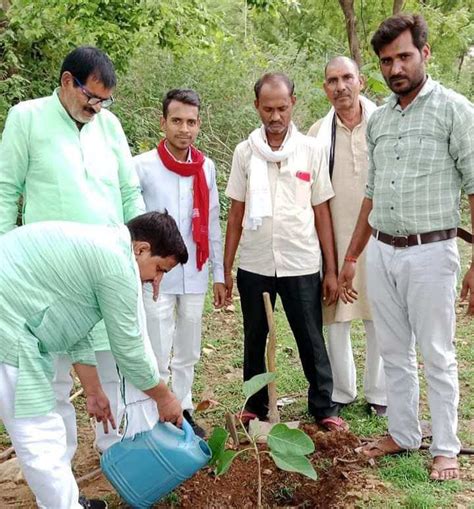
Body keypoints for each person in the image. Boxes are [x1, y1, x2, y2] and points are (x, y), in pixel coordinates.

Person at [338, 13, 474, 481]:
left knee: (436, 352)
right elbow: (371, 196)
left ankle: (446, 447)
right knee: (393, 350)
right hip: (382, 249)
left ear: (425, 54)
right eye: (385, 61)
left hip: (432, 252)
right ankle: (402, 432)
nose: (395, 68)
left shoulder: (455, 110)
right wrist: (354, 255)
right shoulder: (380, 121)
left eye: (403, 56)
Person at [0, 46, 145, 457]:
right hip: (50, 278)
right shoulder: (25, 118)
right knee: (55, 381)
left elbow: (129, 192)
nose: (97, 108)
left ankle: (118, 460)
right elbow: (6, 191)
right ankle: (63, 483)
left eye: (105, 100)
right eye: (91, 97)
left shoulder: (110, 126)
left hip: (109, 271)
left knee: (113, 368)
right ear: (67, 82)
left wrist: (141, 254)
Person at [0, 211, 188, 509]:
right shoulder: (117, 266)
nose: (157, 279)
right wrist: (164, 398)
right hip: (9, 326)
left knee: (42, 433)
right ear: (140, 249)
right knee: (40, 435)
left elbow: (73, 324)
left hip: (12, 313)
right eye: (159, 268)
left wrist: (93, 390)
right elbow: (129, 349)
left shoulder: (103, 246)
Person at [224, 72, 348, 431]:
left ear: (293, 103)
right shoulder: (245, 152)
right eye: (267, 109)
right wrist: (226, 270)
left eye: (281, 108)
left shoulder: (311, 150)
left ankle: (324, 407)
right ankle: (255, 404)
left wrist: (331, 270)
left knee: (310, 335)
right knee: (255, 336)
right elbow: (235, 213)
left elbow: (321, 210)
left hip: (301, 260)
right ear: (256, 108)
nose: (275, 117)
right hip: (256, 262)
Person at [133, 89, 225, 437]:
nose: (184, 129)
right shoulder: (141, 166)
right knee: (157, 344)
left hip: (194, 271)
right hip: (154, 275)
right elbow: (133, 223)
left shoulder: (207, 167)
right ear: (163, 122)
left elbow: (212, 220)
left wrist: (219, 273)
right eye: (177, 121)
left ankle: (183, 407)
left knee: (188, 345)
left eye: (191, 122)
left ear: (199, 125)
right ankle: (157, 408)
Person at [307, 57, 387, 416]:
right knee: (335, 315)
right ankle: (341, 390)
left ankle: (380, 394)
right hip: (335, 236)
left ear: (362, 82)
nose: (340, 86)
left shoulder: (385, 124)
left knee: (380, 313)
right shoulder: (316, 134)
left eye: (347, 78)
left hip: (381, 233)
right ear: (325, 88)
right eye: (332, 80)